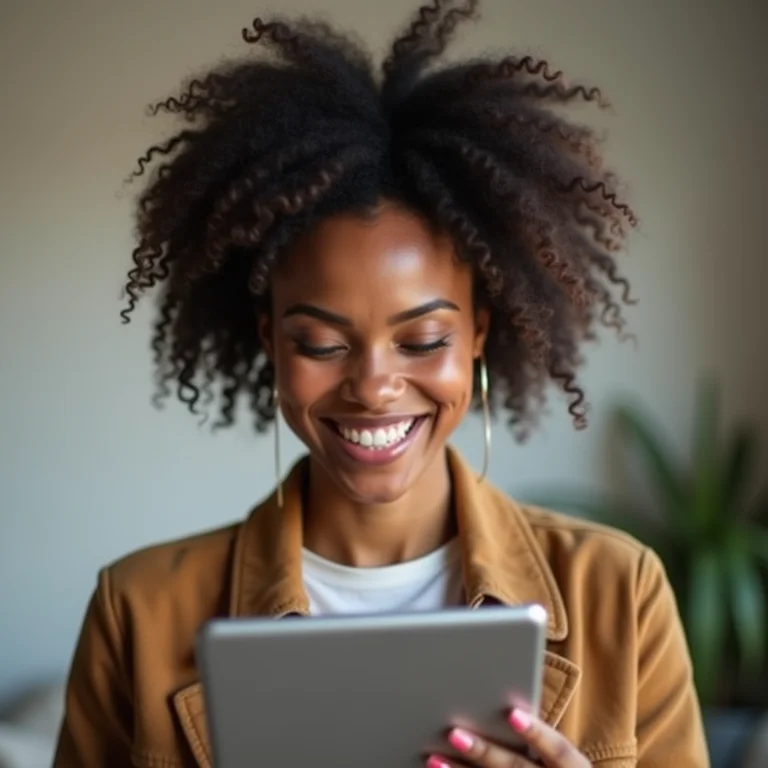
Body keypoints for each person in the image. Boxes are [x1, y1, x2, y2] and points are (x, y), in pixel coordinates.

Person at [54, 1, 709, 766]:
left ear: (479, 334)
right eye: (322, 343)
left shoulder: (619, 593)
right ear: (270, 341)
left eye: (423, 339)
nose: (373, 385)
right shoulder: (138, 612)